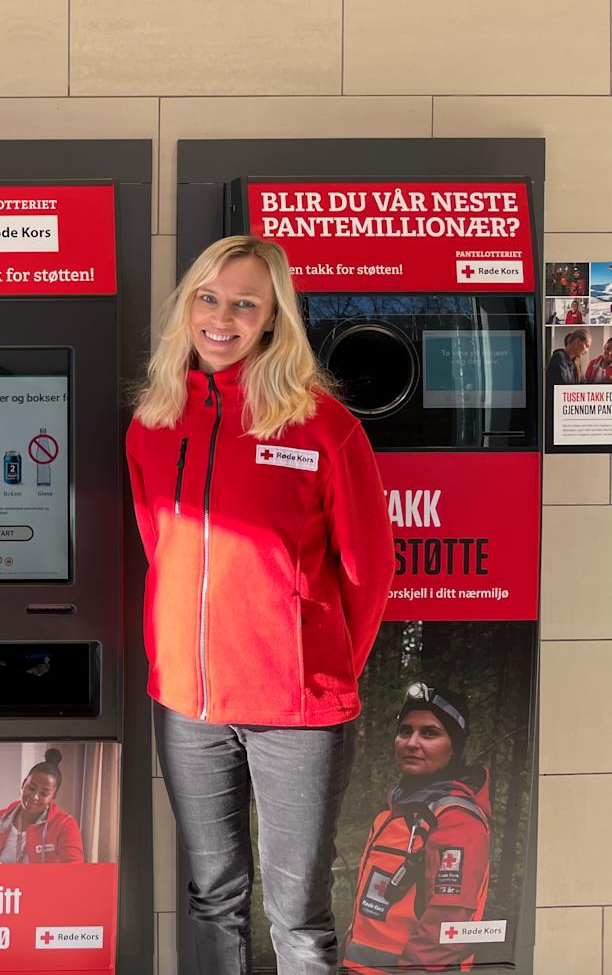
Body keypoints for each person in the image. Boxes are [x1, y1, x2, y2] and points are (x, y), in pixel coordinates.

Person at [126, 235, 393, 975]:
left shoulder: (322, 425)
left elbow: (370, 570)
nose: (222, 317)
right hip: (188, 705)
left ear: (273, 319)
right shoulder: (153, 421)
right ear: (187, 306)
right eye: (208, 298)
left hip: (298, 712)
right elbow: (162, 547)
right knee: (213, 896)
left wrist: (318, 665)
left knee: (298, 915)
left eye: (245, 303)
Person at [344, 684, 492, 973]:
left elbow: (448, 923)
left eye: (429, 733)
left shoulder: (456, 820)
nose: (411, 742)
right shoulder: (396, 810)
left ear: (455, 746)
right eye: (405, 731)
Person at [0, 748, 82, 864]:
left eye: (44, 793)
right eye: (31, 788)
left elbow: (73, 872)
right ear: (23, 785)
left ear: (53, 797)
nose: (35, 796)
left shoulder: (65, 825)